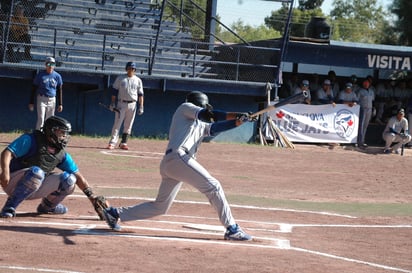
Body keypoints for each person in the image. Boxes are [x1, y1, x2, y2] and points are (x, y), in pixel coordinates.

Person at [102, 91, 253, 241]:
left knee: (160, 207)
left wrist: (238, 121)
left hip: (173, 163)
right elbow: (209, 115)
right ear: (200, 104)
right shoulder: (185, 108)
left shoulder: (200, 124)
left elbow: (215, 128)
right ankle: (232, 229)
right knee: (214, 186)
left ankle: (114, 213)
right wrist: (236, 114)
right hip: (178, 157)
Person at [1, 116, 106, 219]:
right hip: (12, 182)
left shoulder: (61, 154)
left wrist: (92, 197)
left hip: (35, 185)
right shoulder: (31, 139)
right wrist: (5, 172)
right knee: (37, 172)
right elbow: (7, 152)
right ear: (51, 131)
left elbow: (78, 176)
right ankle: (9, 207)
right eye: (61, 133)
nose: (64, 137)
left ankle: (47, 207)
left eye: (65, 134)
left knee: (69, 180)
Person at [107, 61, 144, 150]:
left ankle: (123, 142)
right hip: (121, 103)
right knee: (117, 124)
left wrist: (141, 106)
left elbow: (140, 94)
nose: (131, 70)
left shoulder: (138, 80)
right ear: (126, 69)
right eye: (129, 68)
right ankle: (112, 142)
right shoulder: (120, 78)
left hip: (133, 104)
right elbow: (114, 91)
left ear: (135, 70)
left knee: (128, 124)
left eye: (132, 68)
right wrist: (112, 103)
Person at [29, 57, 63, 131]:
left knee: (50, 120)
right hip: (42, 98)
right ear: (45, 65)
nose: (50, 66)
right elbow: (34, 88)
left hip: (52, 99)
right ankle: (38, 135)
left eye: (52, 64)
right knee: (41, 118)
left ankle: (48, 137)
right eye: (48, 64)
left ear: (54, 65)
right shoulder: (40, 75)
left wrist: (60, 104)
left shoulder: (57, 76)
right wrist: (31, 102)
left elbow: (59, 89)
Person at [357, 79, 375, 148]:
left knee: (365, 126)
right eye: (365, 83)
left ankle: (362, 141)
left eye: (367, 83)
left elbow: (372, 100)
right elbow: (357, 100)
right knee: (361, 126)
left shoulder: (371, 91)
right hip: (362, 109)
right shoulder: (360, 91)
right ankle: (359, 142)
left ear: (369, 84)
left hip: (369, 109)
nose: (366, 84)